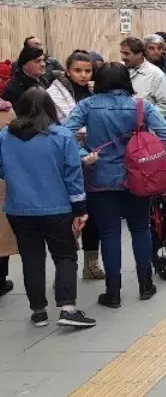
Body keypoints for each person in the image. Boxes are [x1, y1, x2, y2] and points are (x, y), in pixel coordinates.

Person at [64, 63, 166, 308]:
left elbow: (64, 135)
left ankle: (113, 293)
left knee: (109, 233)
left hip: (101, 179)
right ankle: (146, 284)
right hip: (139, 178)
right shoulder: (140, 105)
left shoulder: (87, 105)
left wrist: (83, 152)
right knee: (140, 228)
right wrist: (159, 159)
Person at [0, 88, 97, 328]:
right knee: (65, 256)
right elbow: (73, 175)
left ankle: (38, 311)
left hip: (18, 209)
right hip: (56, 208)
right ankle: (67, 308)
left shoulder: (4, 136)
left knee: (31, 259)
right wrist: (80, 209)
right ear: (50, 109)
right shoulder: (62, 136)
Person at [119, 37, 166, 117]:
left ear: (139, 54)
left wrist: (143, 118)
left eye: (126, 53)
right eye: (122, 53)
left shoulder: (156, 75)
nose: (122, 57)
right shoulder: (118, 69)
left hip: (143, 127)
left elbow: (165, 106)